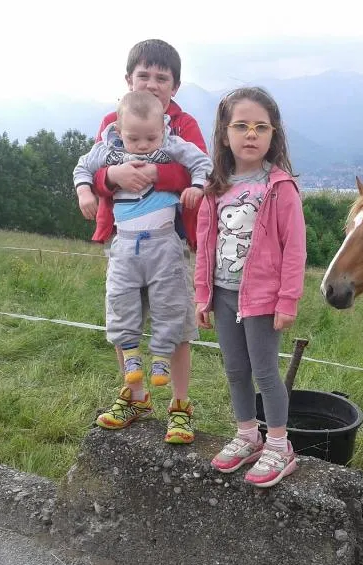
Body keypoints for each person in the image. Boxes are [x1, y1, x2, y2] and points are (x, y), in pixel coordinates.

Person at [76, 39, 207, 443]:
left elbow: (199, 171)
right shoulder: (111, 123)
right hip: (126, 242)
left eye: (161, 78)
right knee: (124, 315)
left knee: (176, 322)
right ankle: (135, 398)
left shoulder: (184, 126)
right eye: (143, 75)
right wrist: (110, 178)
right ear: (128, 79)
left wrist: (155, 174)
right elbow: (97, 169)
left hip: (171, 242)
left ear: (175, 86)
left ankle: (180, 406)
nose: (151, 83)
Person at [194, 87, 307, 488]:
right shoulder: (216, 187)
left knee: (265, 371)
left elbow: (295, 249)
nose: (251, 134)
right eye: (241, 126)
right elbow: (204, 245)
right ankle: (247, 435)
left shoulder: (280, 187)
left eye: (261, 127)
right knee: (235, 369)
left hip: (262, 299)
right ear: (225, 134)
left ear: (274, 135)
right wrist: (203, 295)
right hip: (224, 295)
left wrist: (287, 300)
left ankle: (279, 444)